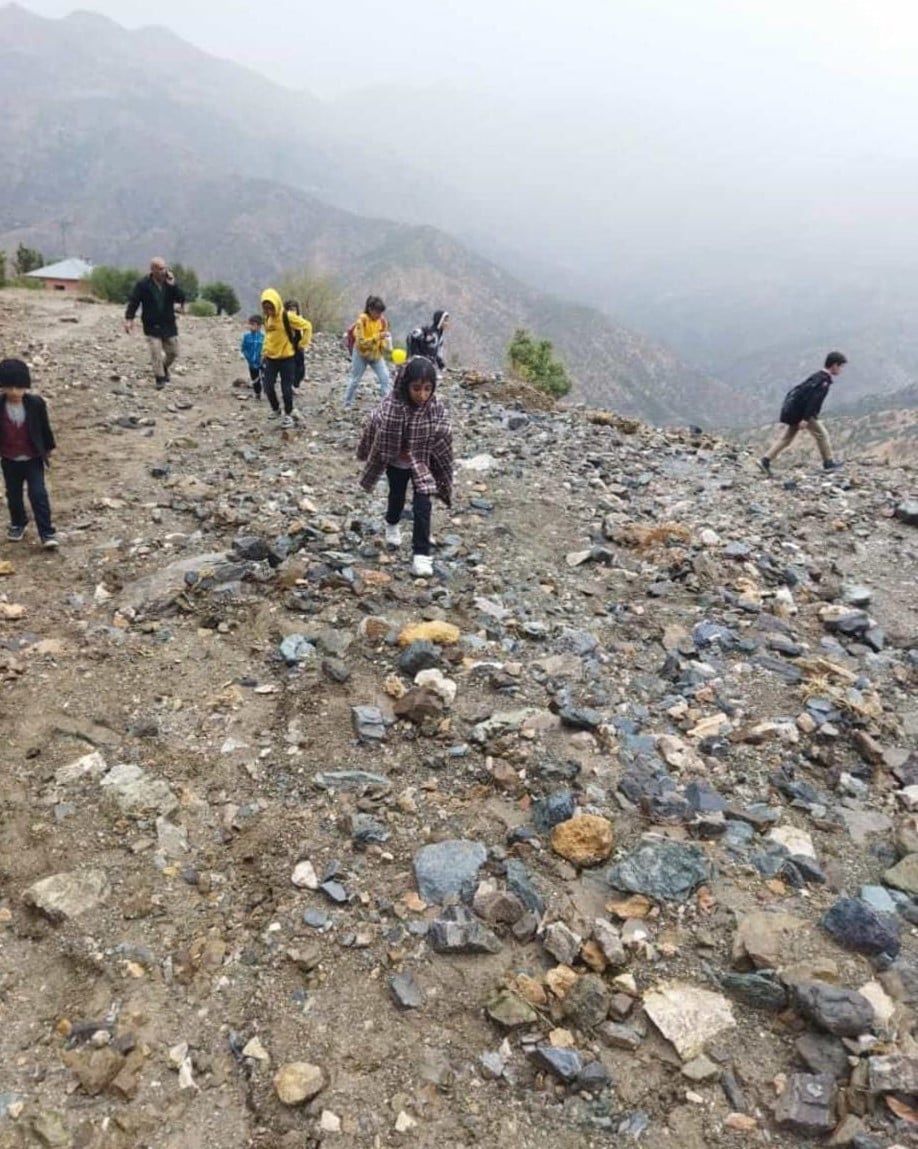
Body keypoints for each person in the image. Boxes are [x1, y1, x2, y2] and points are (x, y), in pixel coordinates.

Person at [357, 356, 452, 578]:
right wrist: (376, 449)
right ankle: (392, 523)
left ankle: (421, 555)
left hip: (422, 463)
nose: (422, 395)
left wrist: (435, 450)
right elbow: (373, 424)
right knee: (397, 497)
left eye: (428, 389)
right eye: (416, 388)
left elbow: (445, 432)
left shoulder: (435, 409)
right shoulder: (391, 406)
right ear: (405, 385)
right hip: (397, 463)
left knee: (423, 505)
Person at [0, 358, 58, 548]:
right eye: (10, 387)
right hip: (9, 459)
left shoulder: (36, 403)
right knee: (13, 494)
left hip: (33, 458)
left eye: (19, 387)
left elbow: (44, 428)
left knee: (38, 494)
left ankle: (47, 532)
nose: (15, 392)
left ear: (26, 386)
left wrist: (48, 449)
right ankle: (18, 522)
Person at [760, 352, 847, 474]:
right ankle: (828, 462)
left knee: (787, 438)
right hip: (804, 414)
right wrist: (806, 419)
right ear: (834, 365)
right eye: (840, 366)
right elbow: (813, 401)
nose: (841, 369)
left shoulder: (816, 376)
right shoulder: (823, 381)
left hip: (796, 412)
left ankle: (765, 460)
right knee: (822, 435)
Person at [124, 257, 186, 389]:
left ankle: (164, 367)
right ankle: (160, 378)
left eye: (165, 268)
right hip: (151, 325)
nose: (164, 271)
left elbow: (181, 298)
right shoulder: (143, 284)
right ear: (153, 269)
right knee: (155, 351)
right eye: (161, 269)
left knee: (173, 352)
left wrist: (173, 285)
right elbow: (134, 302)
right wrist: (129, 319)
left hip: (168, 324)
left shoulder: (169, 283)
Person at [260, 289, 313, 428]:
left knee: (286, 389)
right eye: (266, 308)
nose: (269, 311)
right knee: (268, 386)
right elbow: (268, 336)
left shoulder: (287, 316)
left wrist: (303, 343)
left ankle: (289, 414)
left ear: (277, 304)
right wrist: (264, 351)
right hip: (271, 358)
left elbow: (307, 326)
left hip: (287, 359)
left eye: (271, 307)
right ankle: (276, 409)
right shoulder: (267, 318)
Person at [344, 295, 391, 407]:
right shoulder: (362, 321)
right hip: (361, 354)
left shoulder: (382, 321)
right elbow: (362, 342)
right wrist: (377, 337)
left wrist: (385, 345)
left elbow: (384, 338)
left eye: (381, 313)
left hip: (376, 355)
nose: (379, 315)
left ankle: (386, 404)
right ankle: (347, 403)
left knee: (385, 377)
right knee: (355, 379)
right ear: (370, 309)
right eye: (377, 312)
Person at [284, 299, 308, 389]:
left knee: (300, 367)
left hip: (298, 345)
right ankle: (289, 386)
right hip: (288, 346)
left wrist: (303, 343)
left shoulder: (300, 320)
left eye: (294, 309)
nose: (292, 312)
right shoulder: (284, 320)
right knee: (289, 367)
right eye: (290, 309)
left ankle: (296, 382)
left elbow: (306, 330)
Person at [240, 314, 265, 399]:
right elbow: (243, 348)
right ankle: (257, 393)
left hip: (262, 361)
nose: (251, 326)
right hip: (252, 362)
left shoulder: (264, 337)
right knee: (254, 378)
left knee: (265, 377)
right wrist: (247, 356)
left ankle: (267, 389)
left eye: (253, 324)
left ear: (259, 326)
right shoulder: (246, 336)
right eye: (250, 324)